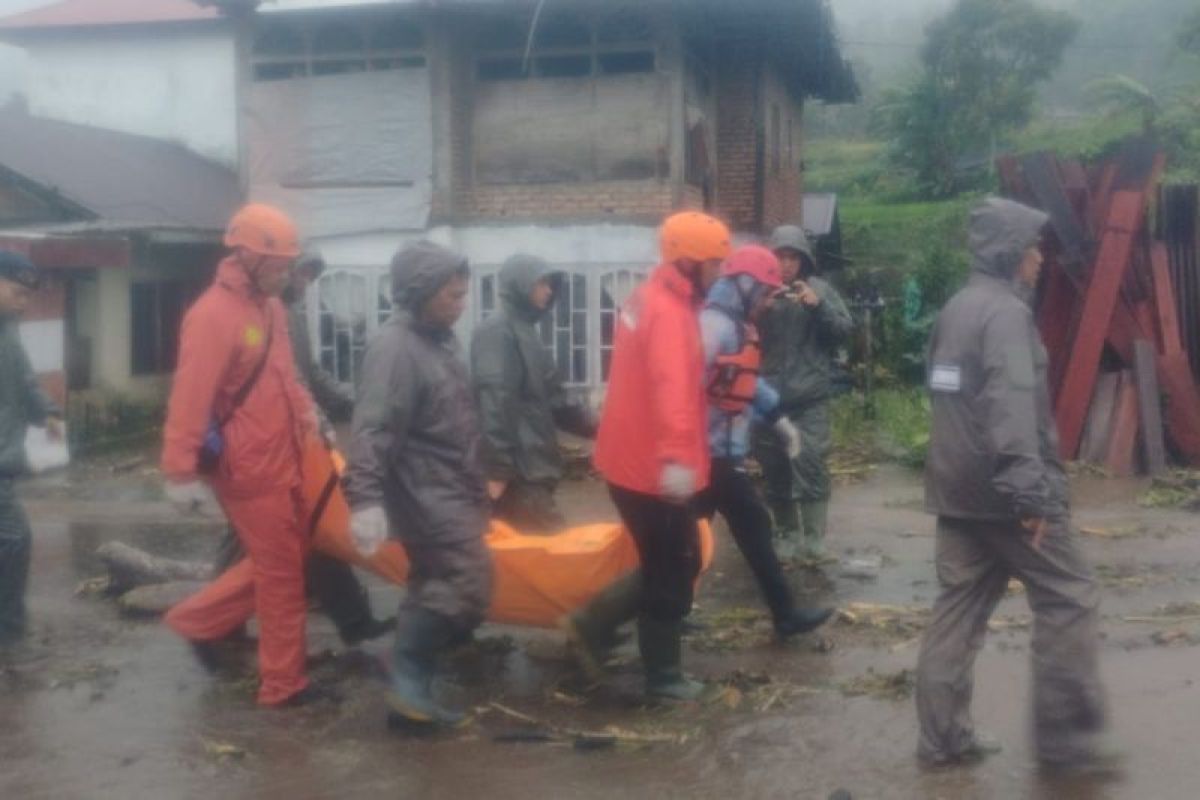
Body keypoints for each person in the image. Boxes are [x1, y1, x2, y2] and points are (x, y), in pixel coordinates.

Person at [562, 246, 833, 680]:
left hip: (714, 453)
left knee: (686, 551)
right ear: (745, 286)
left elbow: (740, 380)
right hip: (706, 455)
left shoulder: (732, 323)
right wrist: (678, 455)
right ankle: (607, 626)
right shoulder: (712, 326)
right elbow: (679, 387)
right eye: (765, 293)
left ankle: (640, 617)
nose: (768, 302)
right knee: (688, 551)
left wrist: (777, 416)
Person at [916, 197, 1115, 775]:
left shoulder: (956, 308)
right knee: (1070, 597)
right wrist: (1031, 495)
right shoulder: (1006, 315)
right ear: (1010, 252)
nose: (1039, 258)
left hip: (956, 489)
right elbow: (1010, 405)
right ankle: (1065, 748)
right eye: (1033, 248)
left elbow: (942, 388)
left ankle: (943, 740)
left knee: (957, 612)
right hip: (1005, 491)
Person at [162, 204, 322, 707]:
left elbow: (284, 377)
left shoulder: (270, 310)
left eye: (288, 264)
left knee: (292, 555)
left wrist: (309, 415)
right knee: (281, 574)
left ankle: (197, 620)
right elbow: (190, 396)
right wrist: (179, 471)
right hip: (247, 466)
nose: (285, 274)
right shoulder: (212, 315)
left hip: (284, 454)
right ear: (248, 257)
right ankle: (283, 685)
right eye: (278, 265)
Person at [207, 251, 390, 647]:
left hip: (291, 443)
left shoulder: (292, 316)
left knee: (315, 524)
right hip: (256, 449)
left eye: (310, 276)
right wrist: (316, 418)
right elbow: (278, 378)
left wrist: (349, 401)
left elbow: (309, 374)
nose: (305, 283)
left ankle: (353, 619)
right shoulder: (253, 315)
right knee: (253, 540)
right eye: (300, 274)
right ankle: (215, 627)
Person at [344, 241, 493, 727]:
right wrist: (364, 498)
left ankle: (410, 687)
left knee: (434, 582)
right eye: (453, 295)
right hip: (425, 492)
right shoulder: (396, 349)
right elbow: (374, 427)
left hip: (450, 486)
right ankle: (406, 675)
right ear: (421, 291)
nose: (462, 304)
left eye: (464, 293)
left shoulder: (437, 341)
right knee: (467, 583)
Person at [590, 211, 729, 701]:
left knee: (665, 560)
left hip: (631, 460)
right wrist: (674, 460)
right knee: (673, 564)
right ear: (690, 261)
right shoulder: (669, 313)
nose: (720, 273)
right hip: (651, 466)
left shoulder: (650, 297)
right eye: (715, 263)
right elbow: (671, 391)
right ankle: (663, 678)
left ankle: (592, 627)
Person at [471, 254, 596, 533]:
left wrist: (602, 428)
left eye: (550, 284)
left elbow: (557, 400)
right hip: (519, 474)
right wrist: (498, 471)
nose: (549, 291)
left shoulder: (525, 332)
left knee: (521, 551)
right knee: (549, 549)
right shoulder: (497, 332)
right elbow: (494, 401)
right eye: (541, 283)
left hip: (532, 471)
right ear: (521, 284)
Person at [755, 225, 853, 563]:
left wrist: (818, 306)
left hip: (809, 398)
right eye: (779, 257)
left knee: (811, 463)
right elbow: (737, 331)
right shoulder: (759, 290)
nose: (786, 265)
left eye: (793, 258)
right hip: (768, 402)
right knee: (775, 468)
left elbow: (844, 331)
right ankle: (786, 533)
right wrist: (759, 310)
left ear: (804, 261)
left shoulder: (820, 289)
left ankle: (813, 539)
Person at [0, 252, 64, 648]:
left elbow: (25, 380)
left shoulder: (8, 329)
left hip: (5, 460)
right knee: (14, 538)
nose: (24, 302)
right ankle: (9, 635)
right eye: (18, 293)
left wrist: (48, 413)